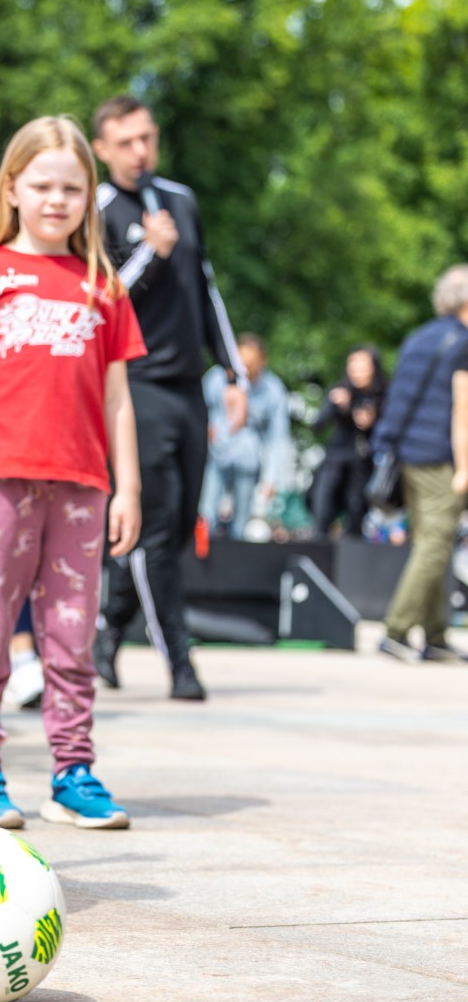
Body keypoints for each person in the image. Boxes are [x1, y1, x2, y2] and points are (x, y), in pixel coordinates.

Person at [0, 115, 144, 829]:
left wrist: (127, 485)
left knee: (72, 636)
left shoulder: (103, 285)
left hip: (82, 485)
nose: (57, 200)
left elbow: (118, 398)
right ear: (12, 188)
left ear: (90, 197)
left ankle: (73, 772)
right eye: (43, 185)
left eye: (73, 189)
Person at [91, 95, 247, 701]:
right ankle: (180, 662)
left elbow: (206, 289)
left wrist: (233, 373)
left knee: (180, 525)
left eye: (147, 138)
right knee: (155, 528)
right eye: (126, 142)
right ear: (103, 149)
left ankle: (108, 630)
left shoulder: (181, 200)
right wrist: (147, 254)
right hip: (136, 387)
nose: (140, 151)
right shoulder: (98, 208)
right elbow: (104, 299)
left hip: (189, 388)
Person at [373, 266, 468, 663]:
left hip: (408, 455)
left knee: (433, 542)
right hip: (439, 458)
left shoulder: (421, 336)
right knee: (435, 543)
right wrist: (464, 468)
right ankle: (396, 630)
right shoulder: (463, 342)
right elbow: (462, 412)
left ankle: (435, 635)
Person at [200, 335, 292, 540]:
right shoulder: (215, 378)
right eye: (241, 363)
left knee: (241, 524)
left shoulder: (273, 390)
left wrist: (271, 479)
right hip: (215, 457)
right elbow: (197, 409)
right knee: (206, 514)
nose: (245, 369)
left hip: (248, 463)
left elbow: (278, 438)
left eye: (251, 364)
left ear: (263, 361)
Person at [309, 346, 386, 537]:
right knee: (324, 494)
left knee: (357, 503)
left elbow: (389, 430)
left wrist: (371, 420)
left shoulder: (383, 394)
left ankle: (354, 540)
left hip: (363, 463)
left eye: (362, 367)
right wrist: (338, 405)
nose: (357, 372)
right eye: (353, 366)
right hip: (337, 457)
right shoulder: (342, 390)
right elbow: (318, 423)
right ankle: (319, 537)